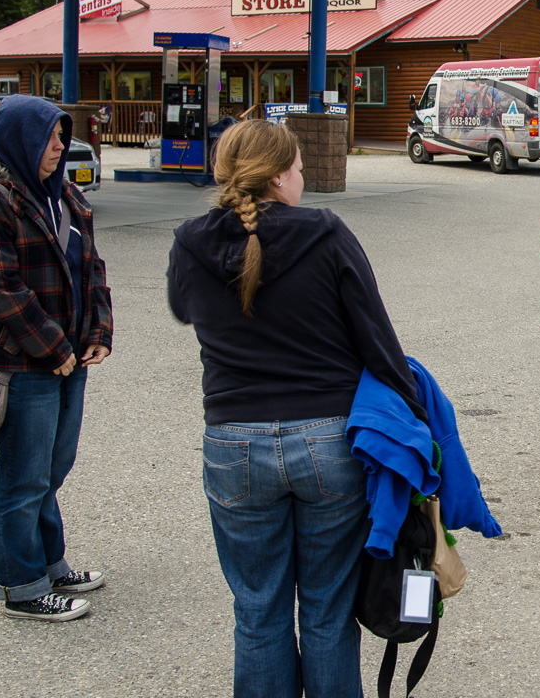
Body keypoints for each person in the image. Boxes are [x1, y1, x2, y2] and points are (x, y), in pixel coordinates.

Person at [166, 120, 426, 697]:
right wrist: (419, 427)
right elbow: (377, 341)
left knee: (258, 610)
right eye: (301, 167)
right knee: (328, 609)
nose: (303, 178)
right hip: (327, 441)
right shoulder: (325, 232)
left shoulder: (190, 239)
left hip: (233, 442)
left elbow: (183, 308)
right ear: (281, 174)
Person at [0, 95, 113, 622]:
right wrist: (54, 349)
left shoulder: (64, 194)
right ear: (21, 140)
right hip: (24, 362)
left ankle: (49, 562)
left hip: (69, 358)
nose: (60, 147)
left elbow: (91, 265)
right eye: (50, 137)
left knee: (52, 469)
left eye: (61, 136)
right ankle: (22, 587)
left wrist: (99, 331)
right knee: (22, 477)